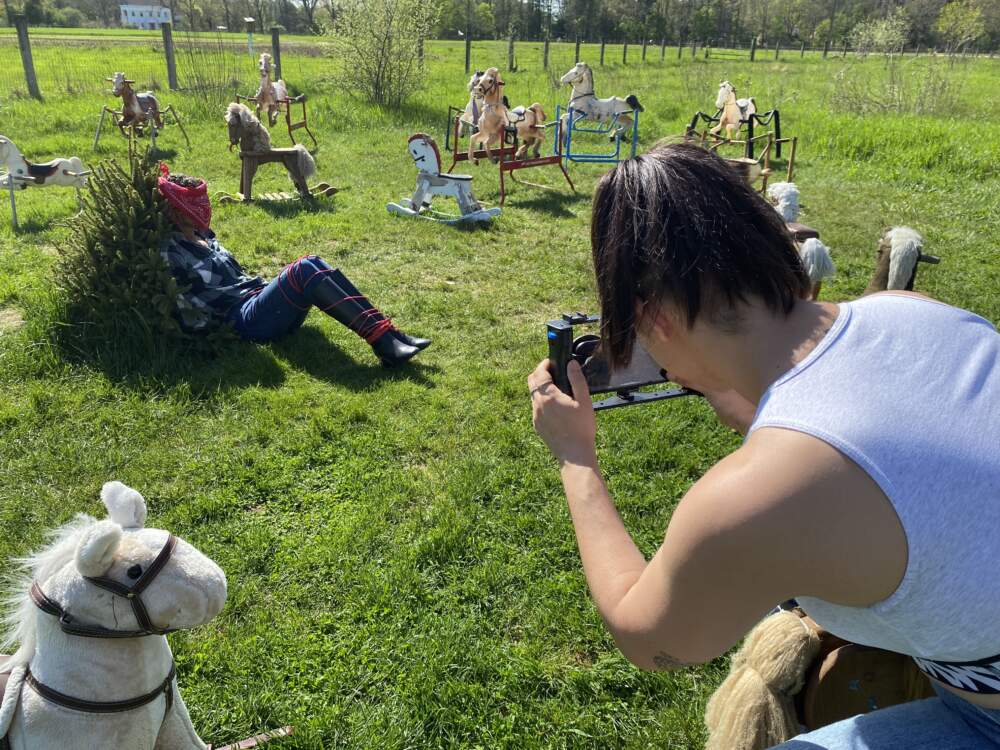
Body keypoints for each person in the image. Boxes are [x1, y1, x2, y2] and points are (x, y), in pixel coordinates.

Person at [528, 143, 1000, 748]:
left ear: (655, 320)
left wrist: (576, 459)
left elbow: (651, 640)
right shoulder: (913, 310)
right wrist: (758, 413)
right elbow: (906, 448)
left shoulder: (753, 497)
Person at [157, 167, 430, 367]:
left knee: (312, 262)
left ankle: (390, 333)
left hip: (256, 302)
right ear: (175, 209)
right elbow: (189, 307)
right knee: (303, 269)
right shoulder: (171, 251)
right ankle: (384, 343)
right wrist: (215, 338)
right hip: (242, 321)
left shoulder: (205, 235)